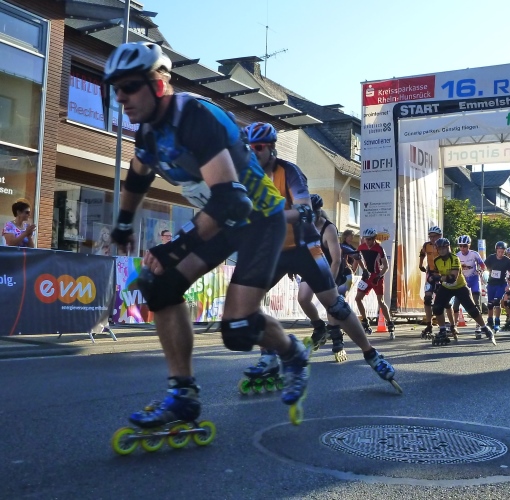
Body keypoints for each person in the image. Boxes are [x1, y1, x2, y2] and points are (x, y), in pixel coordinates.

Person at [104, 41, 309, 428]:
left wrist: (173, 249)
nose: (121, 98)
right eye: (116, 89)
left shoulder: (195, 117)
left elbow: (231, 202)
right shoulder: (148, 131)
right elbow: (137, 175)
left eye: (129, 87)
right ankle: (183, 394)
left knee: (237, 330)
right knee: (159, 287)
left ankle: (292, 352)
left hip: (258, 221)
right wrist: (124, 222)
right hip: (223, 220)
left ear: (158, 84)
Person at [241, 124, 398, 387]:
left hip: (304, 246)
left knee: (335, 305)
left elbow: (303, 210)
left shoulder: (289, 172)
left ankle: (372, 354)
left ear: (271, 148)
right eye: (249, 148)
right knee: (247, 302)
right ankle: (268, 355)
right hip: (275, 250)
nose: (253, 153)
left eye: (258, 147)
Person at [296, 194, 348, 362]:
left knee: (330, 303)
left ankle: (338, 341)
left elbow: (337, 260)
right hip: (312, 267)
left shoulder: (329, 229)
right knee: (303, 298)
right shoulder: (303, 226)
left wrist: (329, 285)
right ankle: (319, 327)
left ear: (318, 212)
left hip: (330, 268)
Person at [430, 238, 495, 345]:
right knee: (437, 307)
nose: (441, 251)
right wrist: (434, 279)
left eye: (443, 248)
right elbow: (436, 275)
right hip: (446, 287)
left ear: (448, 248)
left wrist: (439, 278)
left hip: (460, 286)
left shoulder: (455, 258)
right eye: (439, 249)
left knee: (472, 309)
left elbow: (452, 278)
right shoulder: (437, 260)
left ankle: (484, 328)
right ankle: (442, 330)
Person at [355, 228, 395, 337]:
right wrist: (361, 270)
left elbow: (386, 266)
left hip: (376, 277)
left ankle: (389, 322)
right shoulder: (361, 247)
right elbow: (357, 259)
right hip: (367, 277)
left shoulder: (379, 248)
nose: (367, 241)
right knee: (358, 298)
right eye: (366, 239)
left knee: (380, 301)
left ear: (374, 239)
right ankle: (365, 320)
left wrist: (379, 276)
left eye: (370, 239)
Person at [418, 226, 454, 337]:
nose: (432, 238)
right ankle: (429, 325)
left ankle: (452, 325)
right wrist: (420, 264)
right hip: (430, 273)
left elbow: (450, 259)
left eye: (435, 236)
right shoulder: (426, 245)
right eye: (430, 236)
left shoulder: (443, 246)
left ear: (440, 236)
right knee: (427, 299)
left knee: (445, 302)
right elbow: (422, 253)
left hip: (441, 274)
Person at [453, 235, 487, 338]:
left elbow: (483, 265)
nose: (462, 248)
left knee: (476, 303)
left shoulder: (474, 254)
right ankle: (454, 326)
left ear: (469, 245)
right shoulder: (457, 255)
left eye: (465, 246)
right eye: (460, 246)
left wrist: (480, 270)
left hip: (474, 280)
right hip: (463, 281)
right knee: (456, 304)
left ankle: (478, 326)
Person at [484, 241, 510, 332]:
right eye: (499, 251)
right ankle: (490, 321)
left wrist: (509, 285)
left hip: (501, 284)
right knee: (490, 304)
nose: (500, 253)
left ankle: (497, 322)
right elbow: (484, 267)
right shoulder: (491, 258)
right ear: (496, 250)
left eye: (502, 252)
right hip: (491, 283)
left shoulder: (507, 260)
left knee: (497, 301)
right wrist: (482, 274)